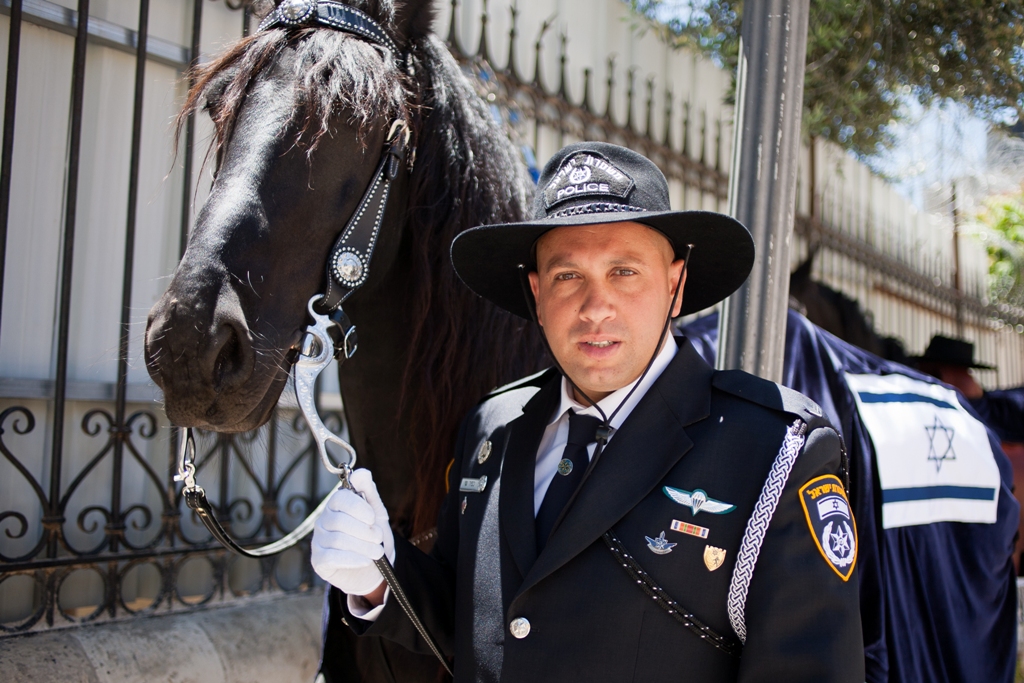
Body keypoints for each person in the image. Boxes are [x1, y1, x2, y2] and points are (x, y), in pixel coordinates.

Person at [311, 142, 865, 681]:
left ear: (674, 286)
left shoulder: (773, 452)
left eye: (624, 272)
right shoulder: (493, 427)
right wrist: (380, 574)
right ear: (537, 295)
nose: (596, 308)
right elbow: (480, 622)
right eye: (567, 276)